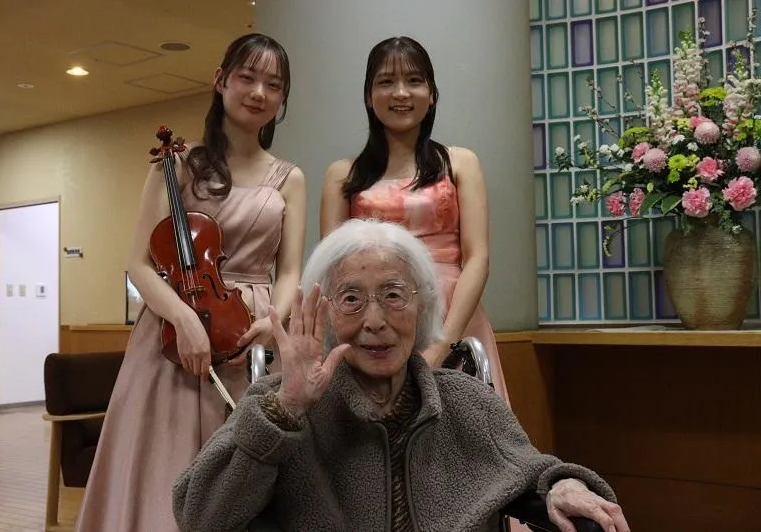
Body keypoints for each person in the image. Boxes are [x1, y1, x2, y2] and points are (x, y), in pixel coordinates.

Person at [172, 219, 630, 532]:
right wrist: (287, 409)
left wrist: (563, 486)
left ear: (422, 305)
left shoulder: (465, 402)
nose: (375, 321)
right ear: (324, 313)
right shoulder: (280, 403)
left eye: (393, 295)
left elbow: (531, 469)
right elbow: (199, 517)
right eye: (351, 299)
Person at [75, 33, 306, 532]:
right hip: (174, 335)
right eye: (247, 77)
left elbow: (289, 270)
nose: (259, 92)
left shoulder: (290, 178)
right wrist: (183, 318)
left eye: (273, 84)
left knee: (246, 480)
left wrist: (274, 321)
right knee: (165, 470)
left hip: (253, 337)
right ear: (220, 81)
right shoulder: (179, 163)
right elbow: (139, 264)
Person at [320, 36, 509, 401]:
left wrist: (443, 343)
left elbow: (478, 258)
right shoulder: (342, 175)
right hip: (373, 320)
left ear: (432, 94)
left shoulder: (460, 163)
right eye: (386, 82)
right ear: (368, 96)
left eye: (414, 81)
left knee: (465, 423)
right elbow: (334, 273)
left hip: (454, 317)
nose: (401, 93)